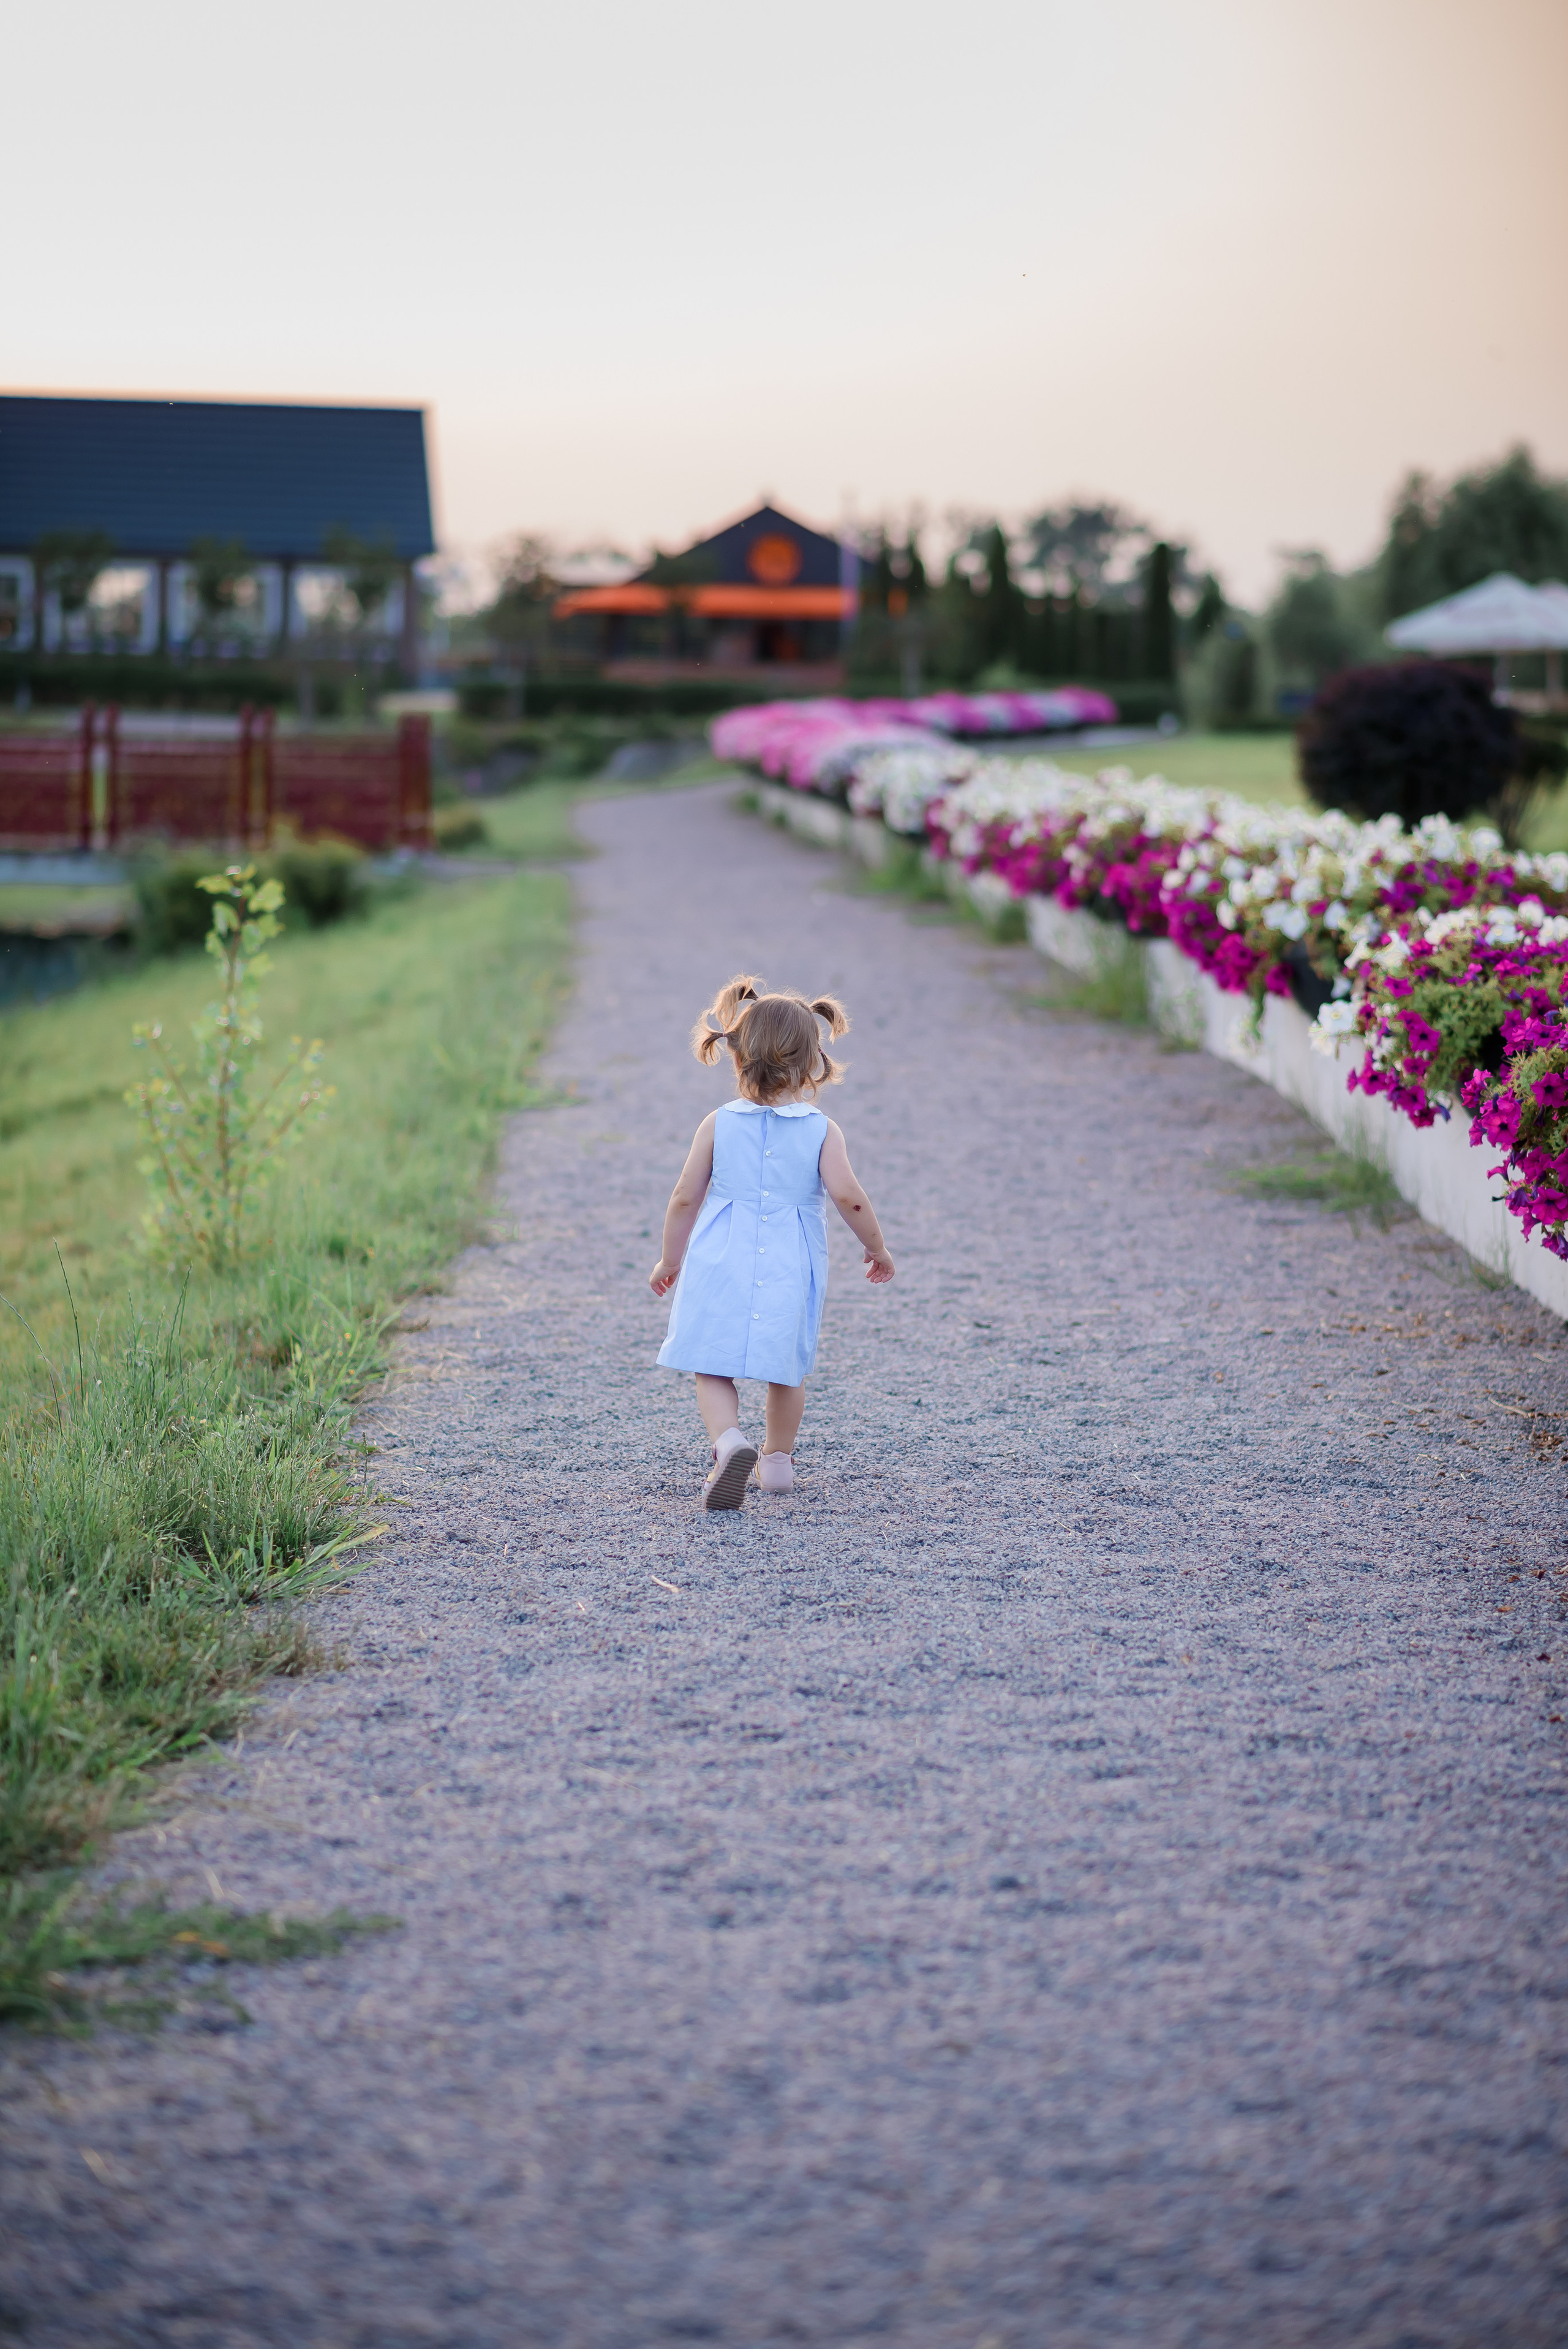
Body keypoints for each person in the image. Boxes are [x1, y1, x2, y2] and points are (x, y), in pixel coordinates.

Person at [649, 973, 895, 1509]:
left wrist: (671, 1258)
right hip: (790, 1260)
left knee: (711, 1363)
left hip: (720, 1258)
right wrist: (877, 1248)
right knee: (786, 1364)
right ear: (812, 1061)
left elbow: (684, 1198)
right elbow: (849, 1196)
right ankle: (777, 1462)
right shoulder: (821, 1130)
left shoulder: (717, 1123)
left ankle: (729, 1441)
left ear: (735, 1054)